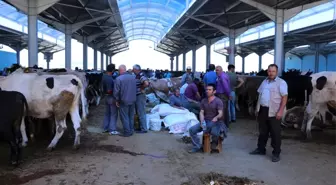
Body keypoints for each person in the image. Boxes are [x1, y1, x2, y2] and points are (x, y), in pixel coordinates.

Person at [250, 64, 288, 162]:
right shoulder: (264, 82)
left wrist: (280, 111)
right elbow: (260, 95)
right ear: (267, 71)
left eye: (273, 71)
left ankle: (276, 153)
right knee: (263, 131)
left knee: (275, 133)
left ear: (277, 72)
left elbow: (284, 98)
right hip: (263, 110)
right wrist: (257, 109)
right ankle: (261, 149)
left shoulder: (281, 83)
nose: (271, 73)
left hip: (274, 111)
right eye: (269, 71)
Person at [188, 84, 227, 153]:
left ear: (214, 91)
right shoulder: (203, 101)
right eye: (206, 90)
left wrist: (216, 117)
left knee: (210, 129)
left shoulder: (218, 101)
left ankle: (213, 144)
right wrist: (202, 121)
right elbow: (201, 112)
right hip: (206, 121)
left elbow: (220, 113)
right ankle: (197, 146)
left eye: (209, 90)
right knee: (192, 130)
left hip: (216, 121)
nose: (207, 91)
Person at [113, 65, 137, 137]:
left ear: (120, 70)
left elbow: (116, 91)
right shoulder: (133, 77)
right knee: (131, 115)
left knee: (124, 116)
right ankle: (131, 130)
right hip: (133, 100)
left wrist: (116, 100)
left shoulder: (118, 79)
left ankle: (127, 132)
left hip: (124, 100)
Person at [102, 64, 119, 135]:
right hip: (111, 97)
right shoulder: (109, 78)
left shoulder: (103, 76)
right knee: (113, 114)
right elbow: (109, 90)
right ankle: (112, 129)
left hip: (105, 97)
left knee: (107, 113)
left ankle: (105, 128)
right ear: (112, 70)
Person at [133, 64, 149, 133]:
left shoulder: (141, 75)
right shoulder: (137, 75)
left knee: (141, 112)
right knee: (138, 112)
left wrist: (141, 88)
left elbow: (146, 83)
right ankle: (139, 127)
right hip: (137, 96)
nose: (133, 70)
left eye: (133, 69)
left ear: (136, 69)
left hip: (140, 96)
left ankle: (144, 129)